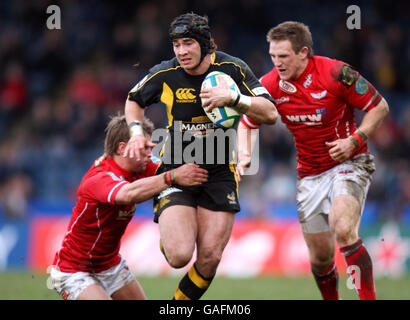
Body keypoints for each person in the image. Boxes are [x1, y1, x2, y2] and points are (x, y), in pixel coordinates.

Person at [123, 12, 277, 300]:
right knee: (180, 255)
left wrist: (234, 99)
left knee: (209, 258)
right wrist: (135, 131)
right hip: (178, 168)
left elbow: (270, 113)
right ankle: (170, 239)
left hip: (220, 172)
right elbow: (133, 100)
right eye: (177, 45)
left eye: (188, 44)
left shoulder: (233, 69)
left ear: (205, 44)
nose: (181, 51)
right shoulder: (165, 73)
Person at [237, 21, 389, 300]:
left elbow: (379, 106)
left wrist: (354, 139)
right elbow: (247, 122)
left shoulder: (335, 73)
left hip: (350, 162)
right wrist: (245, 153)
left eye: (283, 56)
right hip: (309, 175)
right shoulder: (270, 84)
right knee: (320, 258)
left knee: (343, 228)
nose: (277, 63)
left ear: (303, 52)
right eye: (273, 56)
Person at [49, 115, 208, 300]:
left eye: (149, 148)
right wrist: (171, 176)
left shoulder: (142, 167)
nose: (149, 154)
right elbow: (128, 194)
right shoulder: (99, 177)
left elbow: (178, 169)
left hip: (109, 265)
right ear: (123, 148)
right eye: (144, 148)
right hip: (74, 270)